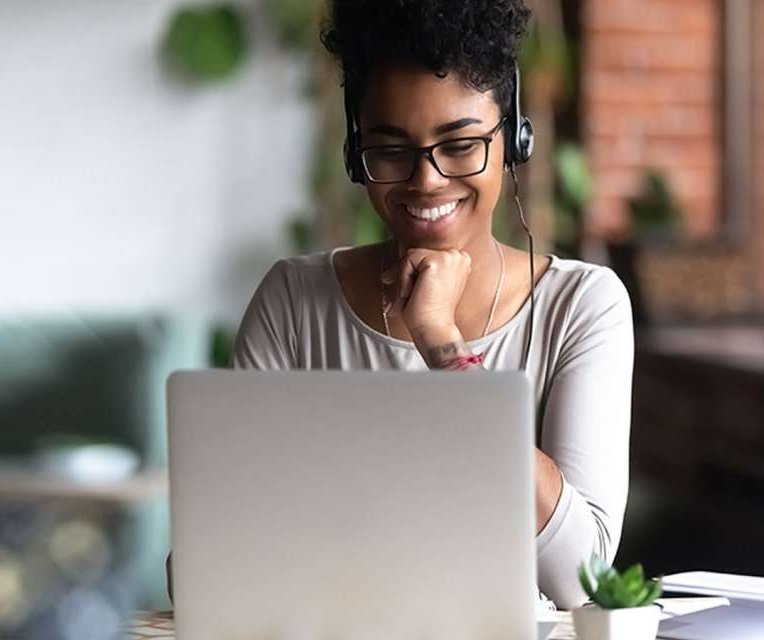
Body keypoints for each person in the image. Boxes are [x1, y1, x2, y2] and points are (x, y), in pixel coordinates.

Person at [229, 0, 634, 610]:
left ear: (514, 140)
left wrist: (444, 348)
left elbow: (585, 577)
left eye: (461, 144)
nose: (426, 182)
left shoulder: (581, 306)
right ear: (355, 155)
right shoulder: (293, 302)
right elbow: (213, 567)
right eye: (391, 151)